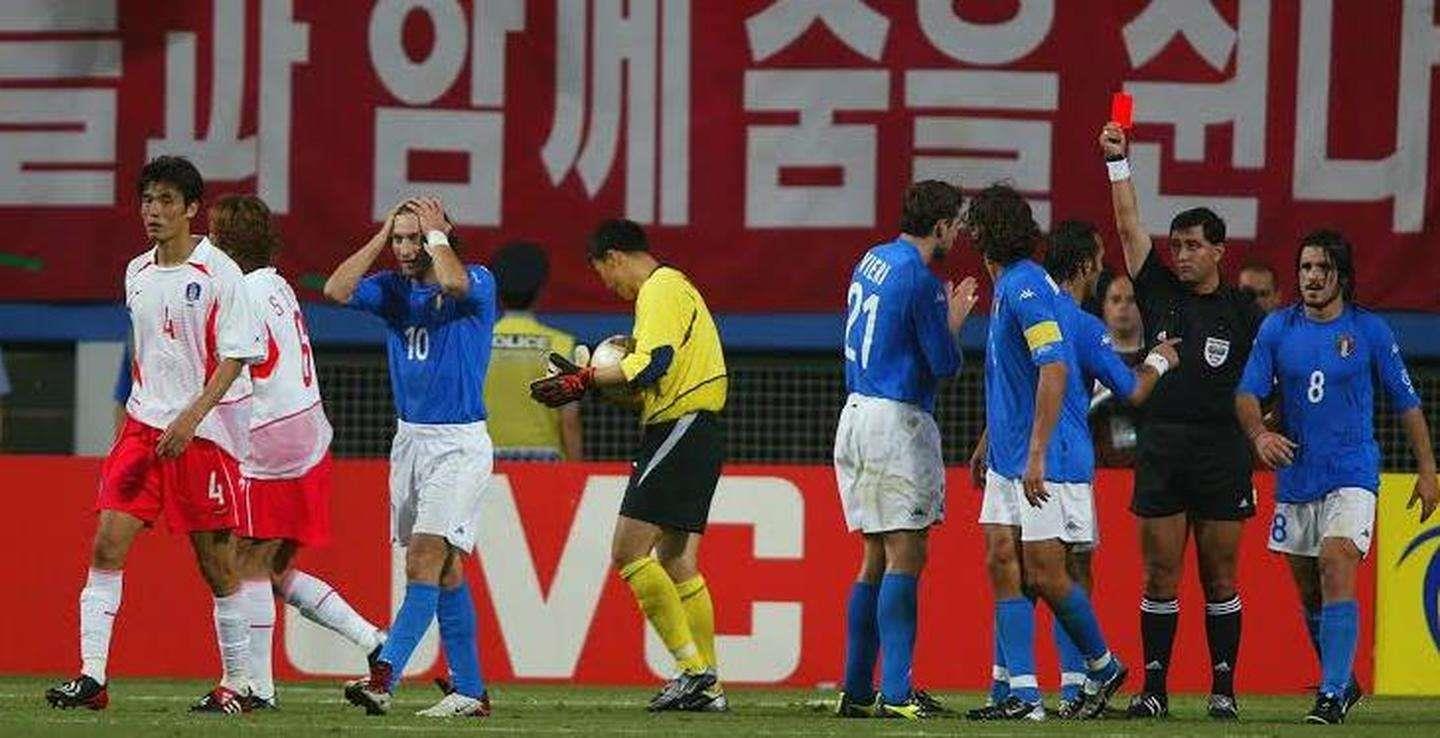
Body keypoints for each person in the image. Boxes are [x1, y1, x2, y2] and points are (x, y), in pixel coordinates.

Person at [45, 156, 267, 713]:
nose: (154, 211)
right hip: (144, 430)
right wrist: (137, 424)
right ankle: (92, 678)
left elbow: (237, 356)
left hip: (204, 434)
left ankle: (239, 682)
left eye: (167, 201)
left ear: (192, 209)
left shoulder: (220, 273)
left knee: (215, 564)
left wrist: (190, 418)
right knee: (106, 543)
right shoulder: (136, 272)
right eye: (147, 200)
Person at [971, 220, 1177, 720]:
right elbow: (1132, 390)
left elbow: (1011, 383)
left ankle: (1040, 688)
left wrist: (988, 440)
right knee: (1053, 574)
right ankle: (1076, 678)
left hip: (1026, 456)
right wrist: (1160, 361)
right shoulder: (1081, 325)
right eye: (1100, 258)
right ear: (1086, 265)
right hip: (1056, 461)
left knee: (1025, 573)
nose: (1103, 266)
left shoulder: (1019, 302)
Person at [1236, 230, 1438, 724]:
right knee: (1310, 590)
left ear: (1341, 276)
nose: (1312, 277)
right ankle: (1343, 681)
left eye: (1322, 268)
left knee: (1336, 560)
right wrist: (1259, 435)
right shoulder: (1277, 329)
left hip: (1352, 470)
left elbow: (1407, 403)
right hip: (1297, 475)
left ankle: (1329, 693)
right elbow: (1246, 394)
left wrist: (1427, 469)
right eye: (1305, 267)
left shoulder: (1370, 331)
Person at [1101, 123, 1265, 719]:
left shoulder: (1245, 312)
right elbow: (1127, 227)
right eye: (1177, 245)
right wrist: (1117, 163)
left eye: (1194, 245)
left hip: (1223, 451)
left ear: (1219, 250)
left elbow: (1269, 381)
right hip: (1163, 447)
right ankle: (1154, 691)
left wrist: (1266, 426)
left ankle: (1223, 690)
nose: (1183, 254)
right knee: (1159, 576)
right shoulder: (1158, 292)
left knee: (1220, 578)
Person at [530, 219, 728, 712]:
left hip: (680, 427)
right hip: (694, 429)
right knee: (676, 560)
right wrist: (593, 381)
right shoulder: (677, 288)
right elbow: (651, 380)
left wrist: (585, 380)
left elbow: (652, 363)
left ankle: (694, 673)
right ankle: (708, 686)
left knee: (627, 551)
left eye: (604, 274)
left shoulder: (659, 289)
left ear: (614, 257)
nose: (609, 285)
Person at [208, 194, 386, 710]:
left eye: (214, 236)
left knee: (243, 563)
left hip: (274, 436)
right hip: (310, 430)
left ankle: (255, 688)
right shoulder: (277, 283)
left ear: (226, 244)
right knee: (273, 569)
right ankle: (376, 642)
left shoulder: (240, 293)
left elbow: (239, 368)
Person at [324, 197, 497, 718]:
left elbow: (455, 284)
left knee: (423, 557)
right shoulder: (391, 289)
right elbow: (336, 290)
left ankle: (385, 676)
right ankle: (470, 691)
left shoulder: (477, 281)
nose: (403, 249)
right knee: (444, 570)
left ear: (438, 237)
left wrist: (436, 236)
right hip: (409, 443)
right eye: (398, 239)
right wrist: (381, 235)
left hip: (458, 444)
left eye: (412, 238)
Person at [830, 180, 978, 719]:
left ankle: (856, 688)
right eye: (955, 225)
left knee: (875, 555)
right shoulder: (921, 279)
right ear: (939, 226)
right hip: (896, 421)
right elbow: (945, 364)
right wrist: (954, 319)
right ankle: (897, 693)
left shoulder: (872, 258)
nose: (957, 235)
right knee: (907, 554)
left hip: (855, 411)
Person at [484, 241, 584, 461]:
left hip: (486, 460)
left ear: (496, 291)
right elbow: (570, 420)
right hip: (545, 462)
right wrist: (577, 471)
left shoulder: (477, 342)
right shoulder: (562, 345)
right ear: (540, 290)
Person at [1091, 271, 1146, 467]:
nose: (1123, 306)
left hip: (1148, 469)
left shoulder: (1155, 359)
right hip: (1098, 470)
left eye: (1131, 300)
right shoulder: (1089, 359)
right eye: (1115, 300)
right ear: (1104, 306)